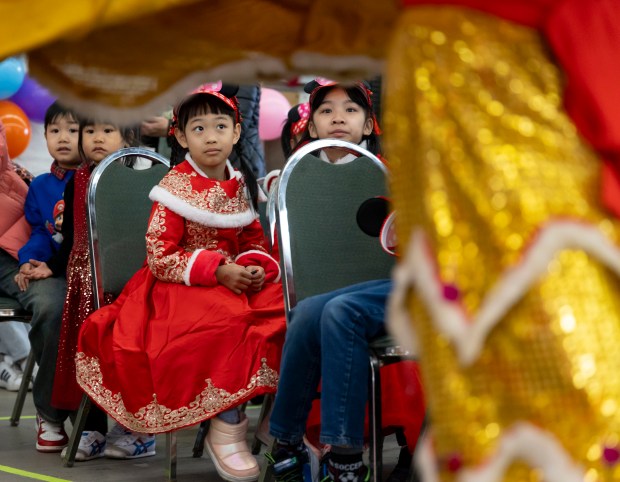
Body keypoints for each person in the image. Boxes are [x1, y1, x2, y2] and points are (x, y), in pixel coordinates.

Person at [75, 83, 286, 482]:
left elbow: (253, 238)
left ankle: (278, 419)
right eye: (199, 129)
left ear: (236, 133)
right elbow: (160, 254)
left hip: (233, 279)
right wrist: (216, 269)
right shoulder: (175, 187)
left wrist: (254, 264)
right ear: (181, 136)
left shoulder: (237, 184)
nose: (211, 137)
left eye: (220, 126)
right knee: (225, 323)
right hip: (179, 286)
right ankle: (227, 425)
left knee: (286, 309)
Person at [266, 80, 424, 482]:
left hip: (424, 284)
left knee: (339, 312)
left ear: (370, 125)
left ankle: (346, 458)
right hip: (385, 286)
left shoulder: (390, 171)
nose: (338, 117)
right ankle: (285, 442)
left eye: (350, 110)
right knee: (307, 311)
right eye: (326, 110)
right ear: (311, 125)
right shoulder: (294, 177)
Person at [25, 117, 155, 461]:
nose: (97, 138)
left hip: (127, 282)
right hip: (83, 284)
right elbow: (69, 239)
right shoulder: (79, 177)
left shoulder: (140, 176)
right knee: (86, 356)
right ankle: (92, 428)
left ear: (127, 138)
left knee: (125, 353)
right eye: (90, 131)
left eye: (107, 131)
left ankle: (136, 429)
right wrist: (51, 267)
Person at [0, 104, 79, 453]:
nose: (63, 138)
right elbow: (40, 232)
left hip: (85, 267)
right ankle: (51, 414)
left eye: (73, 130)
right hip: (42, 264)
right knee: (53, 305)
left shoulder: (96, 180)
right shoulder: (44, 186)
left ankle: (119, 423)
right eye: (55, 131)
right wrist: (33, 259)